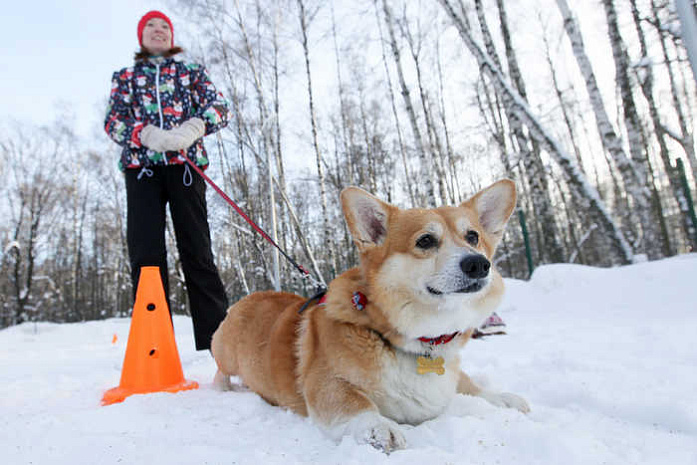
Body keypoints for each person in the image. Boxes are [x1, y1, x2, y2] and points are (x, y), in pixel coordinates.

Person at [104, 10, 231, 351]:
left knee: (198, 250)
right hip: (142, 171)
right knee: (146, 255)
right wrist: (144, 134)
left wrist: (194, 127)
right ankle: (154, 347)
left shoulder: (190, 72)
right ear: (141, 36)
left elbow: (220, 106)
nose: (158, 30)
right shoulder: (126, 77)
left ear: (171, 37)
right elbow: (113, 121)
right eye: (150, 26)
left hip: (186, 167)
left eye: (164, 26)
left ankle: (218, 344)